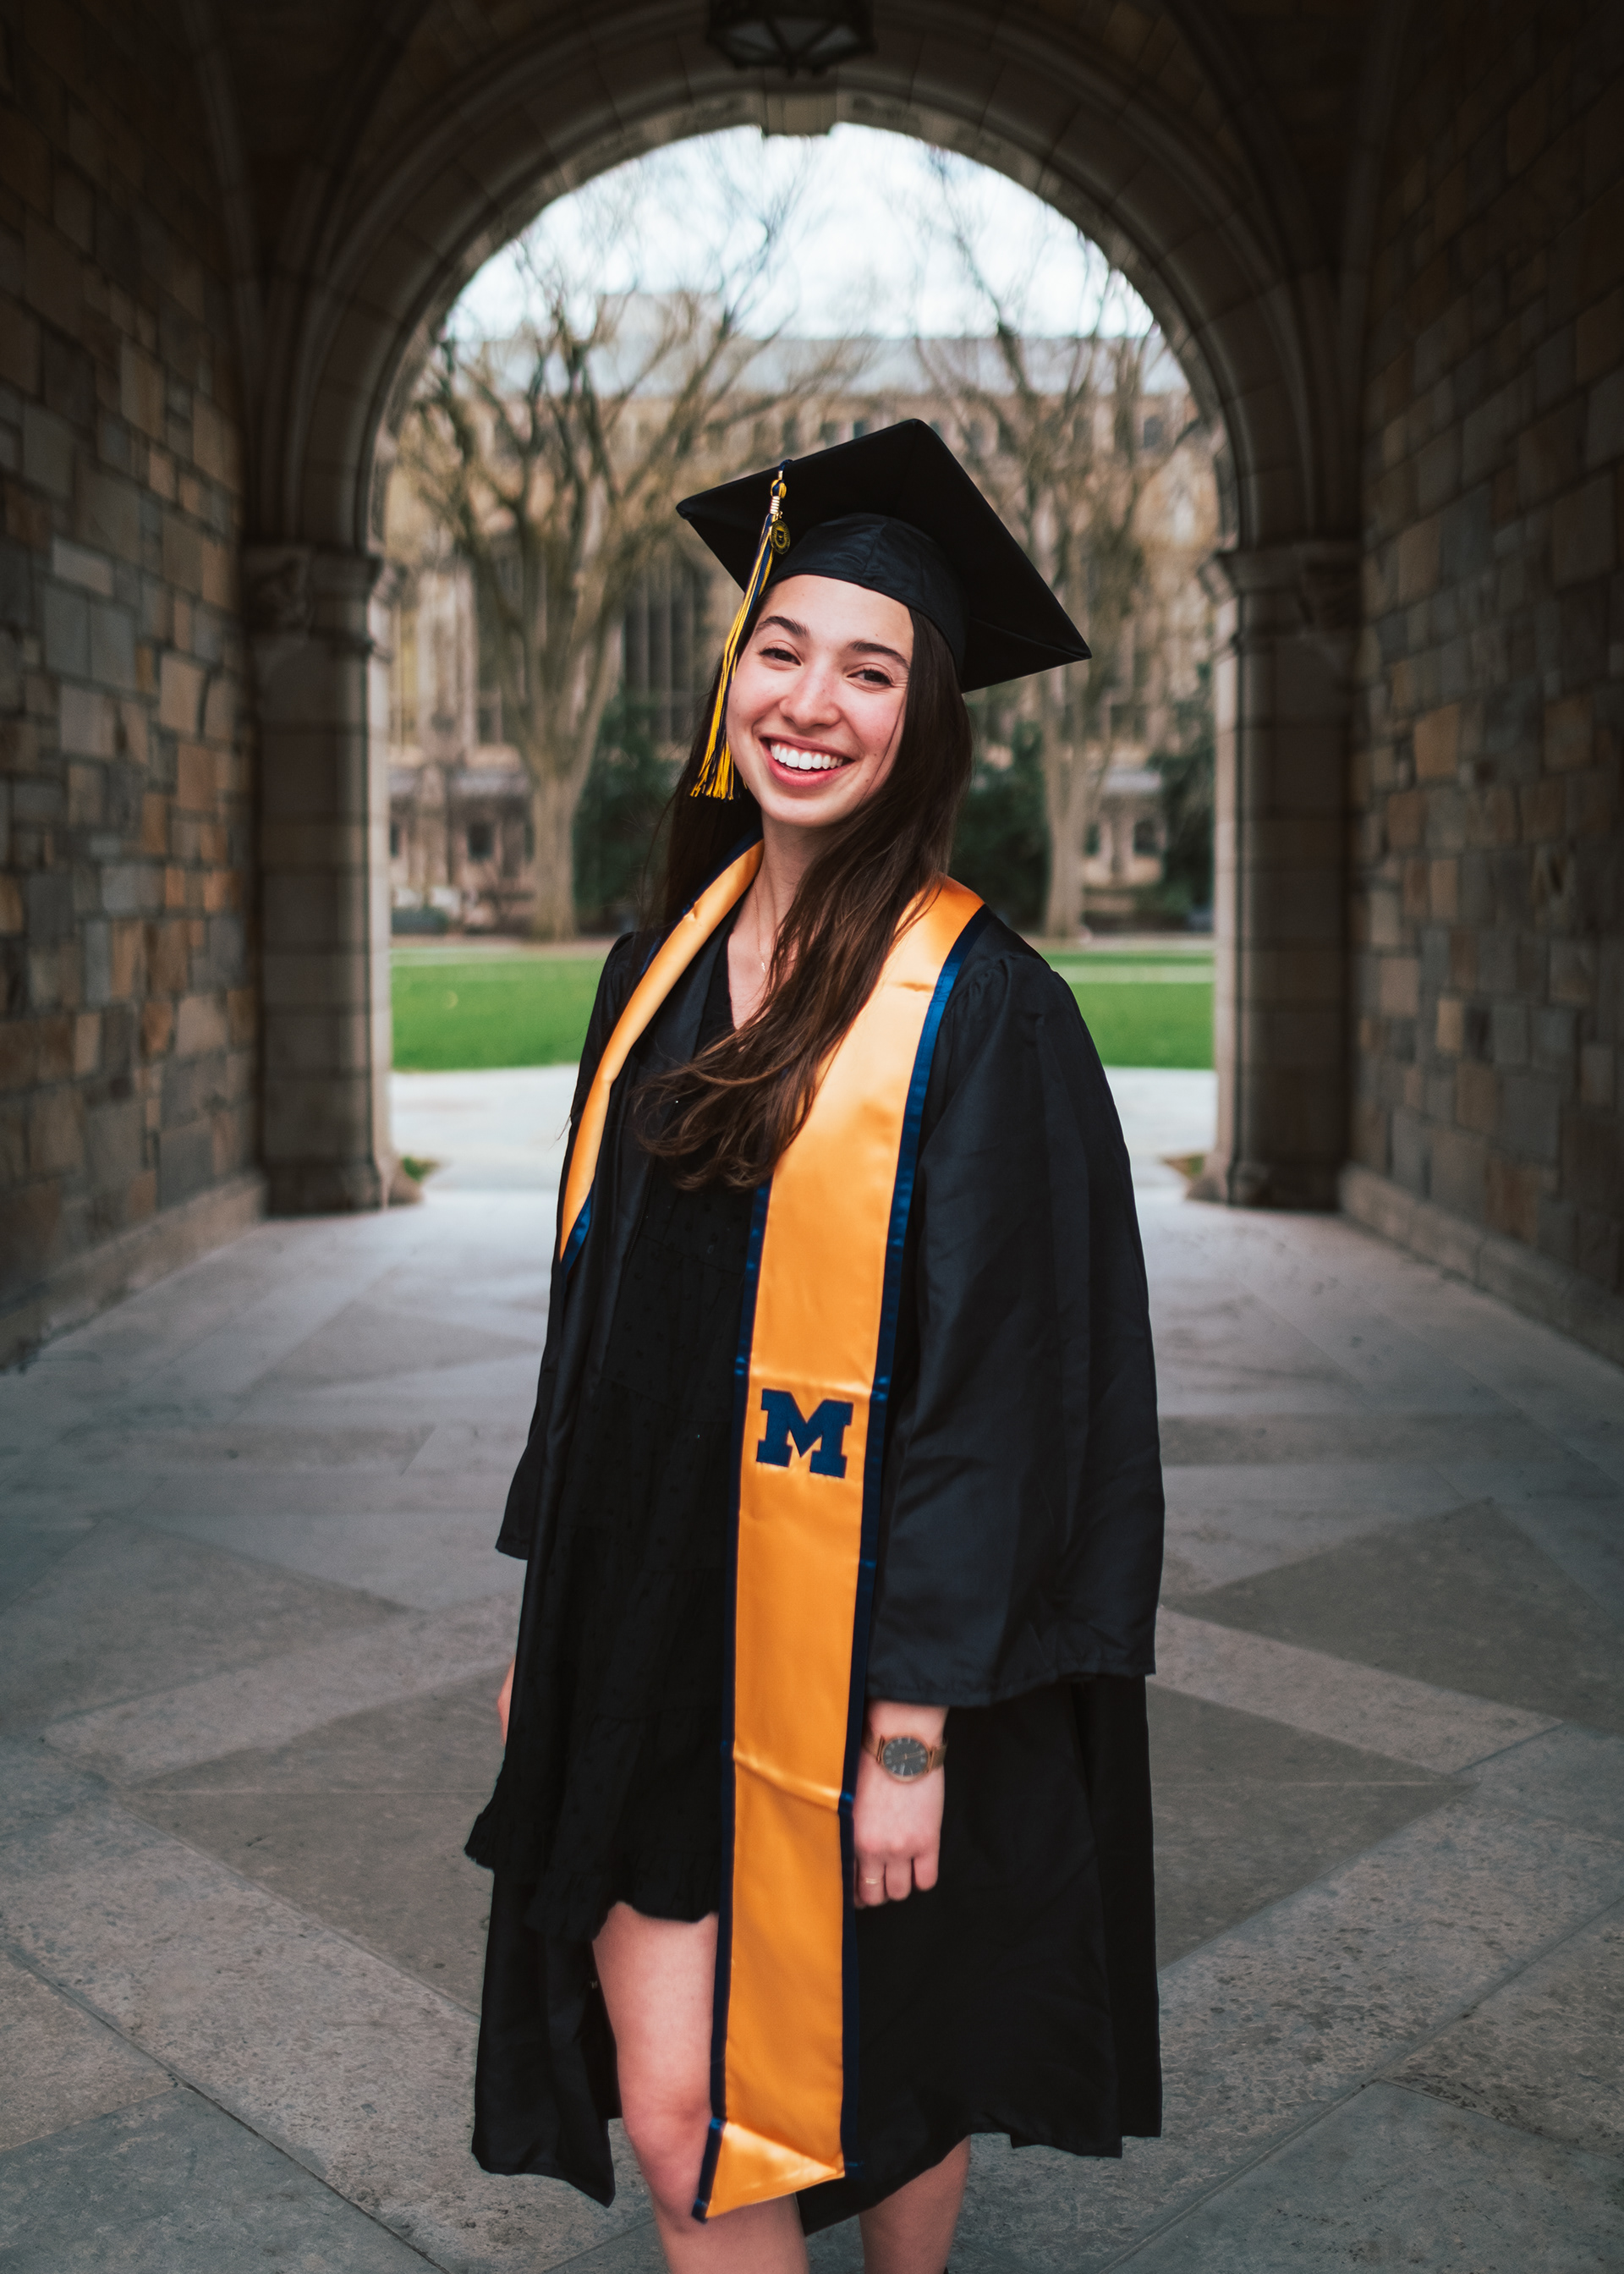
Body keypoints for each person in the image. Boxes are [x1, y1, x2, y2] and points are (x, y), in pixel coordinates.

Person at [466, 420, 1164, 2274]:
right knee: (687, 2123)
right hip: (646, 1624)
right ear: (733, 678)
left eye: (871, 671)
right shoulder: (653, 972)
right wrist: (545, 1615)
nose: (811, 702)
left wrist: (915, 1727)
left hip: (864, 1633)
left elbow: (1008, 1383)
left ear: (923, 725)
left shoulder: (986, 1008)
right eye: (782, 649)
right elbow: (594, 1325)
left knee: (902, 2054)